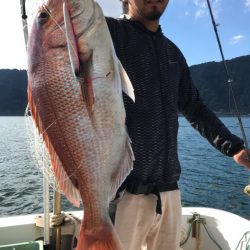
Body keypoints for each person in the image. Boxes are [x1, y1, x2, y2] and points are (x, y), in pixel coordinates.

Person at [105, 0, 250, 249]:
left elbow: (194, 108)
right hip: (123, 192)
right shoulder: (108, 35)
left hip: (169, 191)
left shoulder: (172, 52)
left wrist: (234, 148)